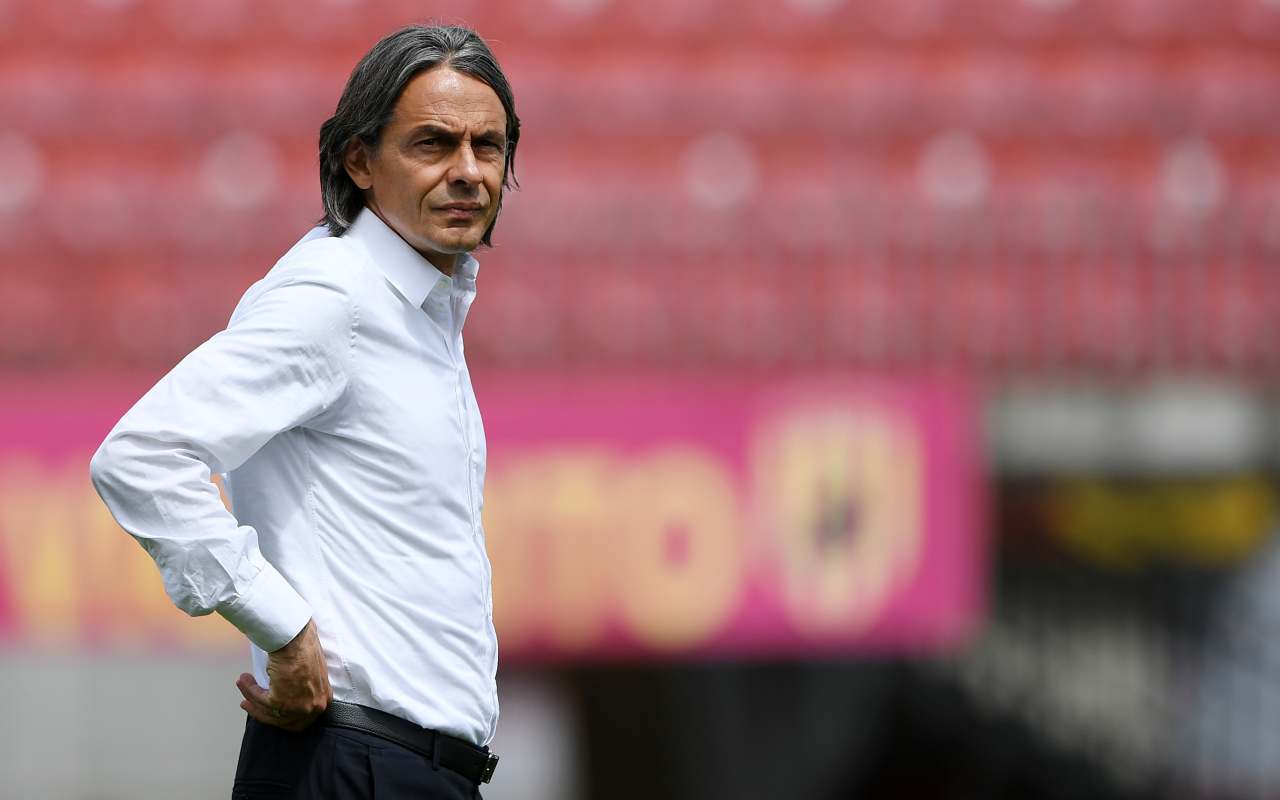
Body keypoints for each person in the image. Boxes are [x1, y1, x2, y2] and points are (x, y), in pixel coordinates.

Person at [89, 24, 519, 799]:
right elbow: (141, 456)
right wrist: (280, 626)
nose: (466, 171)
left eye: (487, 146)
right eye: (432, 143)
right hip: (350, 765)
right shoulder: (336, 296)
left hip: (400, 769)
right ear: (359, 161)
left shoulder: (418, 309)